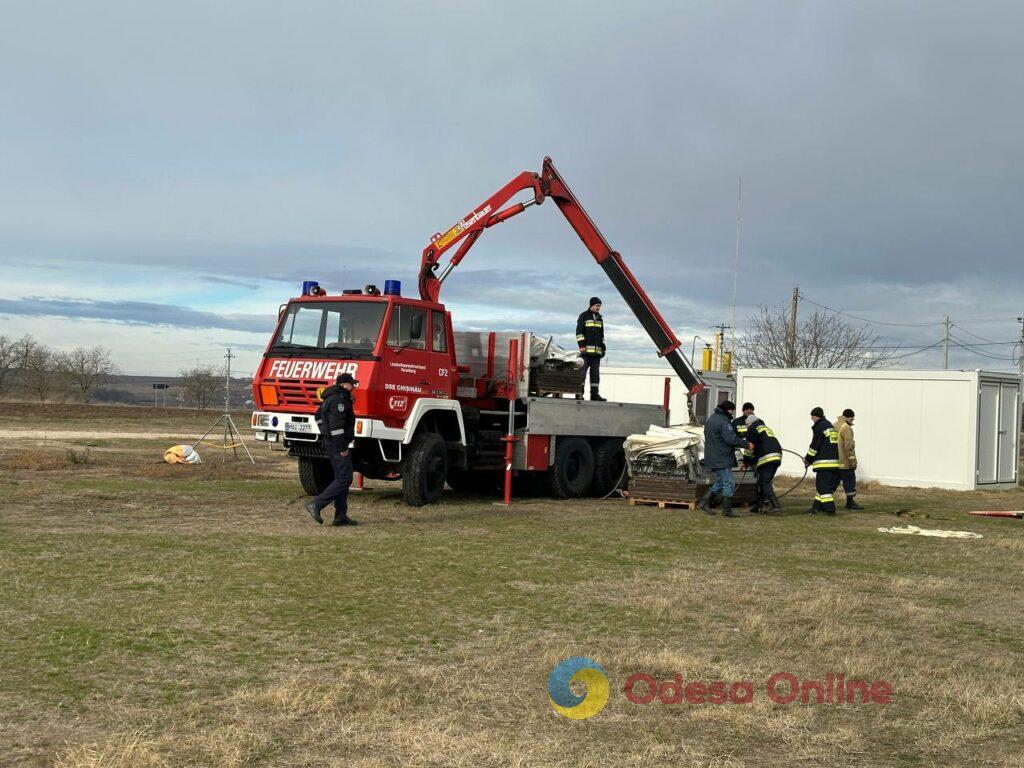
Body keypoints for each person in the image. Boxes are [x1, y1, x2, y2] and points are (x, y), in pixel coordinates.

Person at [305, 372, 359, 526]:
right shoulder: (338, 400)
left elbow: (318, 416)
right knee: (345, 478)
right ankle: (316, 504)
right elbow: (337, 427)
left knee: (341, 477)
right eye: (351, 384)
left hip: (332, 442)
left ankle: (340, 516)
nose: (353, 386)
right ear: (344, 385)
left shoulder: (331, 397)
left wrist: (324, 432)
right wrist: (341, 446)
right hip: (337, 444)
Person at [698, 400, 753, 518]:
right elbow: (730, 439)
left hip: (712, 456)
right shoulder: (724, 421)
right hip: (721, 457)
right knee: (729, 482)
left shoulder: (711, 419)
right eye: (732, 412)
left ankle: (704, 502)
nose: (732, 415)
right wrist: (746, 444)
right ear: (728, 410)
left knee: (720, 482)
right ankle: (727, 510)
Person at [804, 406, 841, 515]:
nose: (811, 419)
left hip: (824, 463)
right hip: (833, 462)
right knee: (822, 486)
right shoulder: (829, 426)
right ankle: (816, 507)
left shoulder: (819, 427)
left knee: (822, 487)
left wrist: (807, 459)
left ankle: (830, 509)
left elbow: (815, 446)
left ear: (816, 416)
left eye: (812, 416)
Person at [747, 417, 783, 513]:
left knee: (764, 482)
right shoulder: (765, 428)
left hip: (766, 457)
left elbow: (749, 447)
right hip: (777, 455)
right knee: (764, 481)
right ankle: (758, 506)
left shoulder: (752, 428)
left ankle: (776, 505)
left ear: (749, 423)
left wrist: (745, 462)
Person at [576, 297, 606, 402]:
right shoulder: (583, 316)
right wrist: (582, 346)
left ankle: (594, 395)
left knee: (595, 376)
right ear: (591, 305)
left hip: (596, 355)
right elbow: (579, 333)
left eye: (599, 306)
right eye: (597, 306)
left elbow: (602, 336)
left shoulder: (600, 318)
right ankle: (579, 394)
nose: (599, 308)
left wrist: (603, 349)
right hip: (585, 353)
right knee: (582, 375)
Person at [834, 408, 863, 510]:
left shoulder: (835, 425)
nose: (853, 421)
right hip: (845, 463)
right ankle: (850, 503)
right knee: (850, 482)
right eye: (853, 419)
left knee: (832, 484)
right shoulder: (847, 428)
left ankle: (822, 503)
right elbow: (849, 447)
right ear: (850, 417)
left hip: (835, 462)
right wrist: (853, 462)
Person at [733, 402, 756, 468]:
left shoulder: (758, 421)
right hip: (739, 451)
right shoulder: (736, 422)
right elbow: (732, 436)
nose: (749, 411)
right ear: (743, 410)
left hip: (753, 450)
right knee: (740, 469)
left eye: (751, 409)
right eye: (747, 409)